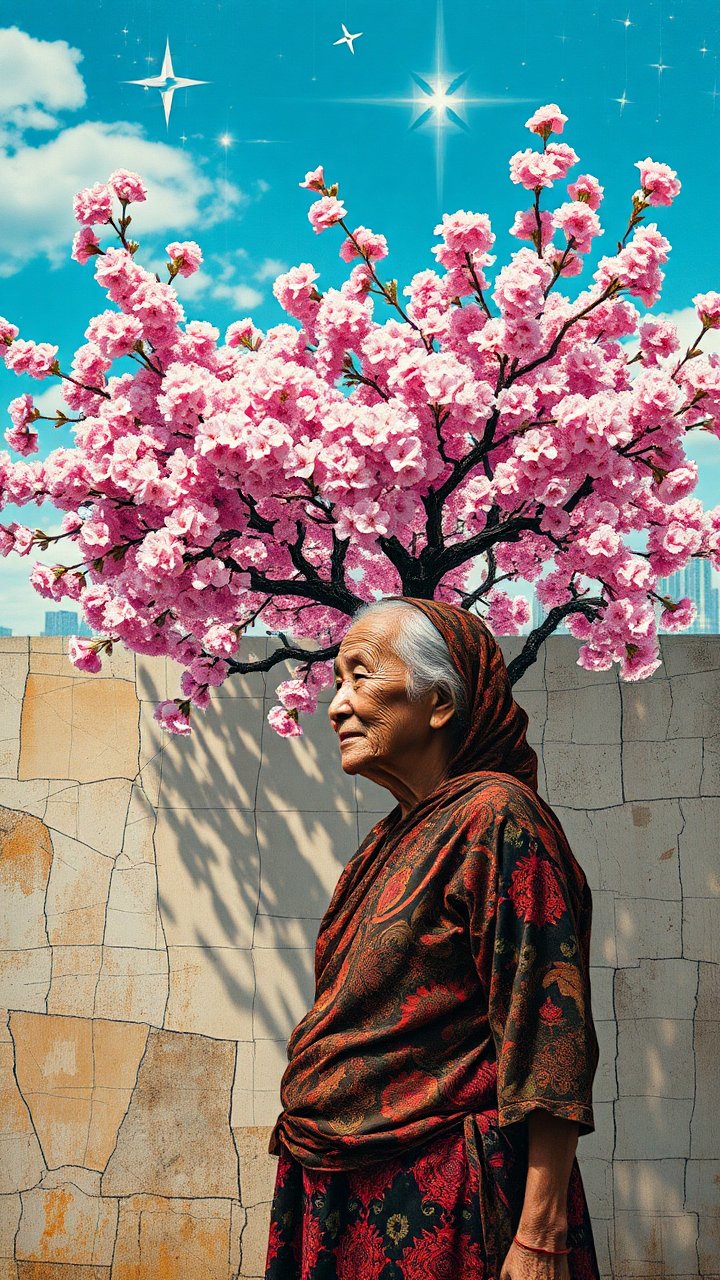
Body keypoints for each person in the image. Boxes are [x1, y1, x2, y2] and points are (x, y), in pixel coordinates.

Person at [264, 595, 600, 1280]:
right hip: (338, 1178)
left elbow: (548, 1031)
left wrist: (539, 1235)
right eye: (336, 682)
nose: (335, 706)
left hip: (444, 1190)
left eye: (362, 676)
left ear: (439, 702)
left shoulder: (498, 820)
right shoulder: (392, 838)